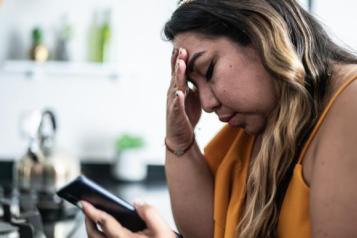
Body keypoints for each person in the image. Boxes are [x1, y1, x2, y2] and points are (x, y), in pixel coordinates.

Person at [82, 0, 357, 237]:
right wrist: (180, 139)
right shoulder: (262, 122)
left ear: (262, 33)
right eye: (193, 85)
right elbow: (209, 233)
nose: (207, 104)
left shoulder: (351, 102)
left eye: (209, 69)